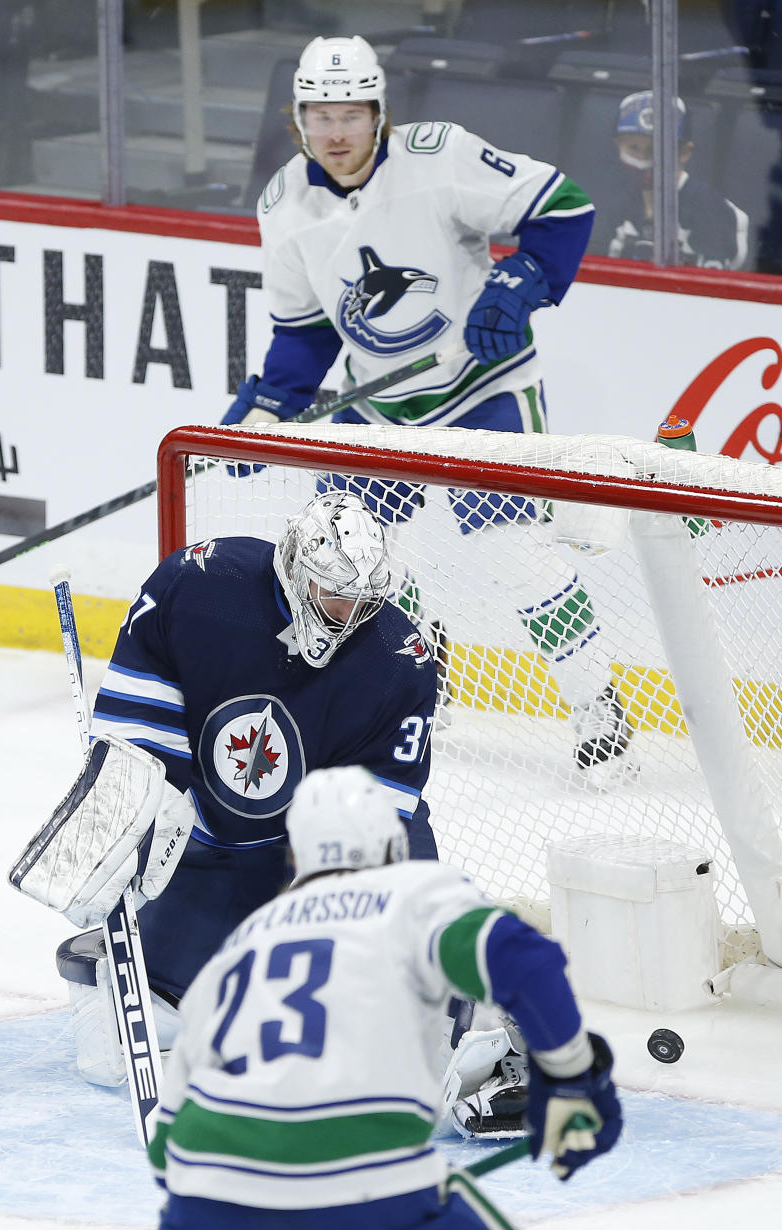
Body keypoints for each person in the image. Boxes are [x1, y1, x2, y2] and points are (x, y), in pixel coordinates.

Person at [45, 764, 623, 1230]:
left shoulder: (241, 950)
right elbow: (523, 960)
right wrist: (574, 1077)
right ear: (392, 847)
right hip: (366, 1177)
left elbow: (169, 1141)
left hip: (213, 1194)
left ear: (296, 857)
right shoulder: (413, 892)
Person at [221, 34, 632, 774]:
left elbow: (566, 205)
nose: (336, 133)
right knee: (351, 555)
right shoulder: (283, 205)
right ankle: (416, 674)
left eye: (351, 114)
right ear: (297, 122)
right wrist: (273, 406)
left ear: (380, 113)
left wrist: (522, 281)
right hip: (378, 406)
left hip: (484, 388)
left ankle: (598, 706)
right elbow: (307, 331)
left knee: (512, 554)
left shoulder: (439, 157)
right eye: (320, 116)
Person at [14, 491, 439, 1088]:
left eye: (360, 601)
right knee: (164, 1004)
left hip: (305, 851)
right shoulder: (200, 586)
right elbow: (138, 734)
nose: (345, 615)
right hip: (211, 849)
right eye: (332, 595)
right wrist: (131, 812)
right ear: (294, 566)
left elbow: (377, 814)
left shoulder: (399, 659)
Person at [591, 90, 750, 269]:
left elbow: (712, 284)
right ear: (618, 147)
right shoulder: (609, 201)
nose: (643, 160)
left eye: (655, 150)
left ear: (684, 153)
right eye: (633, 148)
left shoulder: (709, 208)